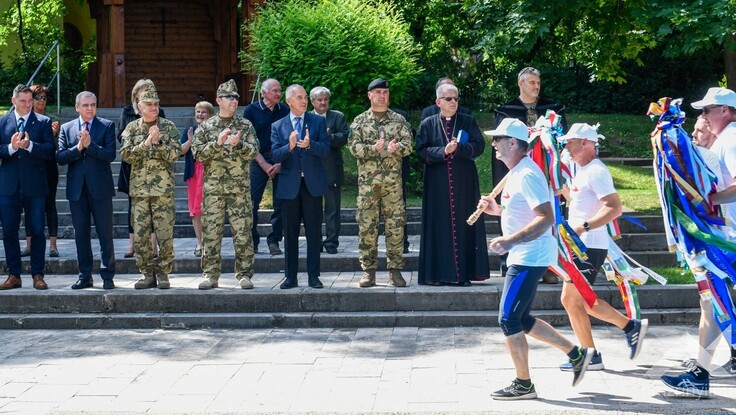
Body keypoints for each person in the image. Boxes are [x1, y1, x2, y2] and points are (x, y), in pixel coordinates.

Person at [480, 118, 593, 400]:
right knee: (521, 317)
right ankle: (577, 354)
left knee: (508, 319)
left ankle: (523, 384)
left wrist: (509, 240)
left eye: (498, 139)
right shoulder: (518, 172)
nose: (493, 144)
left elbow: (546, 218)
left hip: (530, 255)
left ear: (513, 143)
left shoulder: (527, 174)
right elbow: (522, 211)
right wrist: (497, 210)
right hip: (525, 253)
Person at [661, 87, 736, 396]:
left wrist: (706, 201)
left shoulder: (731, 139)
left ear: (727, 111)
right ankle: (702, 370)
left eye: (708, 109)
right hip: (724, 236)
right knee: (713, 301)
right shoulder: (727, 139)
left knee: (712, 300)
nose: (703, 115)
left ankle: (700, 374)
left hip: (726, 239)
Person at [556, 123, 649, 372]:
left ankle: (606, 344)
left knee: (571, 299)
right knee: (581, 301)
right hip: (581, 245)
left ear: (585, 143)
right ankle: (601, 348)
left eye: (570, 142)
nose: (566, 146)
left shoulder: (596, 171)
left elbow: (614, 207)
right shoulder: (583, 170)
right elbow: (584, 201)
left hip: (588, 245)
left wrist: (583, 226)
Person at [495, 67, 567, 282]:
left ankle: (552, 266)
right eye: (531, 83)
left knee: (550, 210)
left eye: (538, 82)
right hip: (521, 168)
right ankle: (512, 261)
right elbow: (502, 146)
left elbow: (562, 138)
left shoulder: (553, 109)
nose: (536, 87)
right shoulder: (506, 111)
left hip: (546, 169)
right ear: (521, 84)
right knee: (518, 212)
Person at [416, 83, 489, 286]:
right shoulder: (428, 123)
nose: (453, 102)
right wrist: (443, 152)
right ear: (438, 102)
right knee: (438, 226)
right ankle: (438, 275)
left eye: (456, 98)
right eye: (449, 99)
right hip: (437, 184)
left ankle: (464, 275)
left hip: (463, 182)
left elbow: (479, 146)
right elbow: (421, 151)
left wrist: (460, 149)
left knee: (464, 224)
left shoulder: (467, 120)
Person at [193, 80, 260, 290]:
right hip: (213, 190)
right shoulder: (206, 127)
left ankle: (244, 274)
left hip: (239, 189)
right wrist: (218, 143)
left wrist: (238, 143)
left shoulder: (244, 125)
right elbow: (197, 154)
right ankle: (211, 275)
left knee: (243, 233)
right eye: (230, 97)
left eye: (236, 97)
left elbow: (254, 151)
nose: (235, 101)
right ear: (218, 100)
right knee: (211, 233)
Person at [349, 78, 413, 288]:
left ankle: (395, 271)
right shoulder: (359, 121)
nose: (382, 96)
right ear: (370, 95)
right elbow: (353, 148)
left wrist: (398, 148)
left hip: (392, 184)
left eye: (385, 93)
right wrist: (372, 149)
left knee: (395, 227)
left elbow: (409, 145)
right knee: (367, 228)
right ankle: (368, 271)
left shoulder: (399, 120)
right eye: (378, 92)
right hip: (368, 186)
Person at [120, 86, 181, 290]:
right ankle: (146, 273)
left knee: (165, 235)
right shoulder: (131, 128)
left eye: (156, 104)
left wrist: (159, 142)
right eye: (149, 104)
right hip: (139, 193)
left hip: (162, 192)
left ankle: (163, 273)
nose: (154, 107)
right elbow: (126, 155)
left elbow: (175, 154)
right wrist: (147, 143)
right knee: (141, 237)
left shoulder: (169, 127)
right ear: (139, 106)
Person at [56, 91, 117, 290]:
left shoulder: (107, 126)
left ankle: (108, 275)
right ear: (77, 107)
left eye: (93, 104)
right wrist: (78, 148)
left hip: (100, 189)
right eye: (85, 105)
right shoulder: (66, 128)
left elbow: (110, 155)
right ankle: (85, 275)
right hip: (77, 190)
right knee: (81, 235)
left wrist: (90, 146)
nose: (90, 108)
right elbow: (61, 157)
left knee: (105, 234)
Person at [272, 84, 330, 289]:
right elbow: (275, 155)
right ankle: (290, 277)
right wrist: (289, 146)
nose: (304, 101)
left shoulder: (317, 122)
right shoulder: (278, 126)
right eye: (299, 97)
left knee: (314, 232)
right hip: (289, 187)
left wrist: (310, 144)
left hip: (312, 185)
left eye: (305, 97)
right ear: (288, 101)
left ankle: (314, 276)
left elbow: (325, 150)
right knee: (290, 233)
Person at [0, 84, 54, 290]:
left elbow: (50, 151)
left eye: (30, 100)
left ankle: (38, 274)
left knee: (38, 231)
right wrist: (12, 147)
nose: (27, 104)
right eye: (23, 101)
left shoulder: (43, 122)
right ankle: (14, 275)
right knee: (9, 231)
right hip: (8, 187)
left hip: (35, 186)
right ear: (13, 101)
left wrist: (30, 146)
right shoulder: (2, 122)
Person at [118, 79, 165, 259]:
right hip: (133, 166)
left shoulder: (160, 112)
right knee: (133, 207)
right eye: (144, 90)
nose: (148, 93)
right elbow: (121, 135)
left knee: (154, 206)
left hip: (155, 168)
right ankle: (132, 245)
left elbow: (164, 135)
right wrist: (141, 141)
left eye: (151, 90)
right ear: (136, 93)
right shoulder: (127, 112)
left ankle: (153, 246)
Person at [244, 78, 290, 255]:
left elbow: (288, 138)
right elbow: (248, 139)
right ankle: (253, 240)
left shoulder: (284, 110)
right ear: (263, 93)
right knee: (252, 202)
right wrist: (263, 164)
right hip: (258, 160)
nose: (278, 94)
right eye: (275, 91)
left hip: (281, 159)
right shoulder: (251, 110)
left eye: (280, 90)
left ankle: (274, 240)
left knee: (280, 203)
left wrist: (279, 162)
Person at [310, 86, 350, 255]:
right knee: (313, 210)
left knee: (332, 209)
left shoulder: (337, 116)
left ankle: (331, 243)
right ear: (312, 101)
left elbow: (344, 137)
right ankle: (315, 241)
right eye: (319, 99)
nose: (323, 102)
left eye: (325, 99)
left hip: (332, 169)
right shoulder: (306, 118)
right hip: (312, 170)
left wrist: (329, 137)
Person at [21, 84, 60, 258]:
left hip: (49, 167)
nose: (41, 101)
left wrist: (55, 135)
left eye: (44, 98)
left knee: (50, 205)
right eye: (38, 97)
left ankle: (53, 245)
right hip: (30, 167)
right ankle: (29, 245)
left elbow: (55, 148)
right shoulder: (25, 119)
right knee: (28, 205)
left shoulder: (53, 120)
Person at [181, 101, 215, 257]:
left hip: (210, 173)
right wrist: (190, 140)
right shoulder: (190, 130)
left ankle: (210, 243)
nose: (200, 114)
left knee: (210, 209)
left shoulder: (215, 131)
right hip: (194, 173)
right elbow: (180, 152)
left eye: (203, 112)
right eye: (197, 111)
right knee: (195, 210)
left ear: (210, 115)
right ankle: (199, 244)